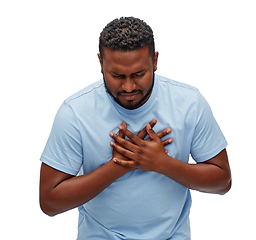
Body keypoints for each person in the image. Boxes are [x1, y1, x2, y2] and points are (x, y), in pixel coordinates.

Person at [39, 16, 231, 240]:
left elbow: (222, 181)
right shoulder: (75, 113)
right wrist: (118, 166)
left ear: (155, 61)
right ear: (100, 63)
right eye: (117, 75)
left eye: (139, 74)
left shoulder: (189, 103)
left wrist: (162, 163)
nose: (128, 86)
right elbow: (49, 201)